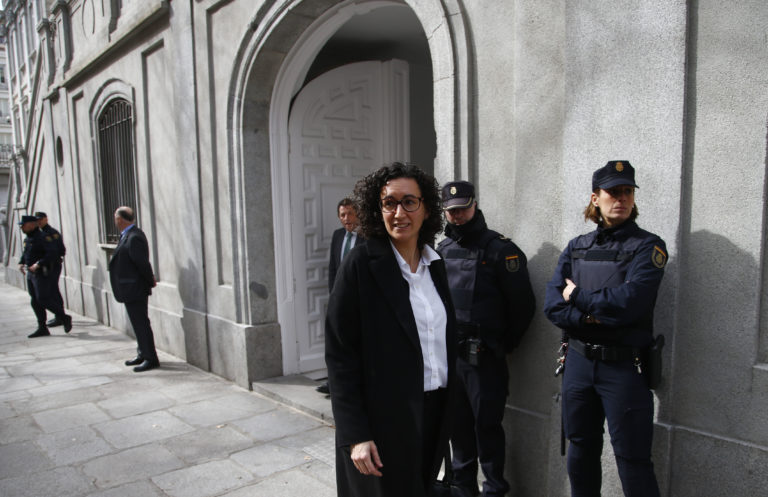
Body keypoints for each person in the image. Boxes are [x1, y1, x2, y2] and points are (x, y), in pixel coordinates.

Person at [325, 162, 457, 497]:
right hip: (381, 421)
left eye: (409, 202)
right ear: (378, 210)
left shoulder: (435, 265)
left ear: (426, 209)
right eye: (389, 203)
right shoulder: (360, 265)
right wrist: (355, 434)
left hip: (433, 412)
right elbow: (340, 355)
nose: (400, 213)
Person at [543, 161, 667, 497]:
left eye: (627, 191)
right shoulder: (577, 247)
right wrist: (590, 318)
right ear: (595, 198)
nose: (621, 198)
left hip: (624, 366)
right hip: (579, 363)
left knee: (633, 458)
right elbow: (552, 305)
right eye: (613, 192)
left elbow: (631, 303)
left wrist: (578, 297)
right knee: (580, 450)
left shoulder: (648, 246)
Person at [437, 181, 535, 497]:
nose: (458, 215)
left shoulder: (501, 250)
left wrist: (502, 346)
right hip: (451, 357)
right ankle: (463, 487)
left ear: (474, 206)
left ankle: (494, 488)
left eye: (463, 208)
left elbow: (523, 307)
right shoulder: (442, 251)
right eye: (452, 211)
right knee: (458, 427)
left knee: (487, 428)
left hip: (484, 357)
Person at [318, 197, 363, 395]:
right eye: (343, 215)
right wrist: (333, 295)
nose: (347, 218)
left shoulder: (367, 237)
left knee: (356, 343)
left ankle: (354, 384)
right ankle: (334, 383)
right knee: (337, 343)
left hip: (359, 300)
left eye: (350, 213)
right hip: (339, 299)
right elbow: (332, 268)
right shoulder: (338, 236)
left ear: (358, 214)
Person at [109, 206, 160, 373]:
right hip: (130, 288)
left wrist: (150, 280)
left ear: (120, 219)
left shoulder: (135, 237)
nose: (115, 221)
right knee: (137, 324)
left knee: (141, 323)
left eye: (115, 218)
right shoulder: (127, 235)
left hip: (135, 288)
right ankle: (142, 353)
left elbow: (142, 263)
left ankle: (150, 358)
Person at [18, 215, 72, 337]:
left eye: (24, 225)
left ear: (32, 225)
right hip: (31, 273)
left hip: (42, 272)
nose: (22, 227)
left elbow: (52, 253)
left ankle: (64, 317)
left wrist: (38, 264)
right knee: (35, 300)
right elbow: (26, 252)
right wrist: (21, 262)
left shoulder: (43, 237)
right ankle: (42, 327)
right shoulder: (28, 238)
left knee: (43, 298)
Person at [34, 212, 67, 328]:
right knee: (52, 290)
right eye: (37, 220)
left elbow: (60, 250)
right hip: (48, 265)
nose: (39, 222)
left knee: (53, 290)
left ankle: (60, 316)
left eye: (41, 219)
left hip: (52, 265)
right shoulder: (40, 233)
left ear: (46, 219)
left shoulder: (50, 233)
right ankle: (60, 315)